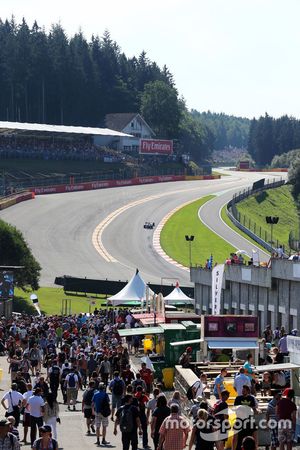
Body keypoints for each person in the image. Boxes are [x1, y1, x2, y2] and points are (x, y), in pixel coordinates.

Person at [92, 382, 110, 446]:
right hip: (104, 413)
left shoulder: (95, 394)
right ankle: (103, 440)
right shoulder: (105, 394)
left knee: (97, 427)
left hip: (97, 412)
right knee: (104, 427)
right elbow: (108, 402)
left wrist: (93, 410)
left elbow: (93, 403)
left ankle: (98, 440)